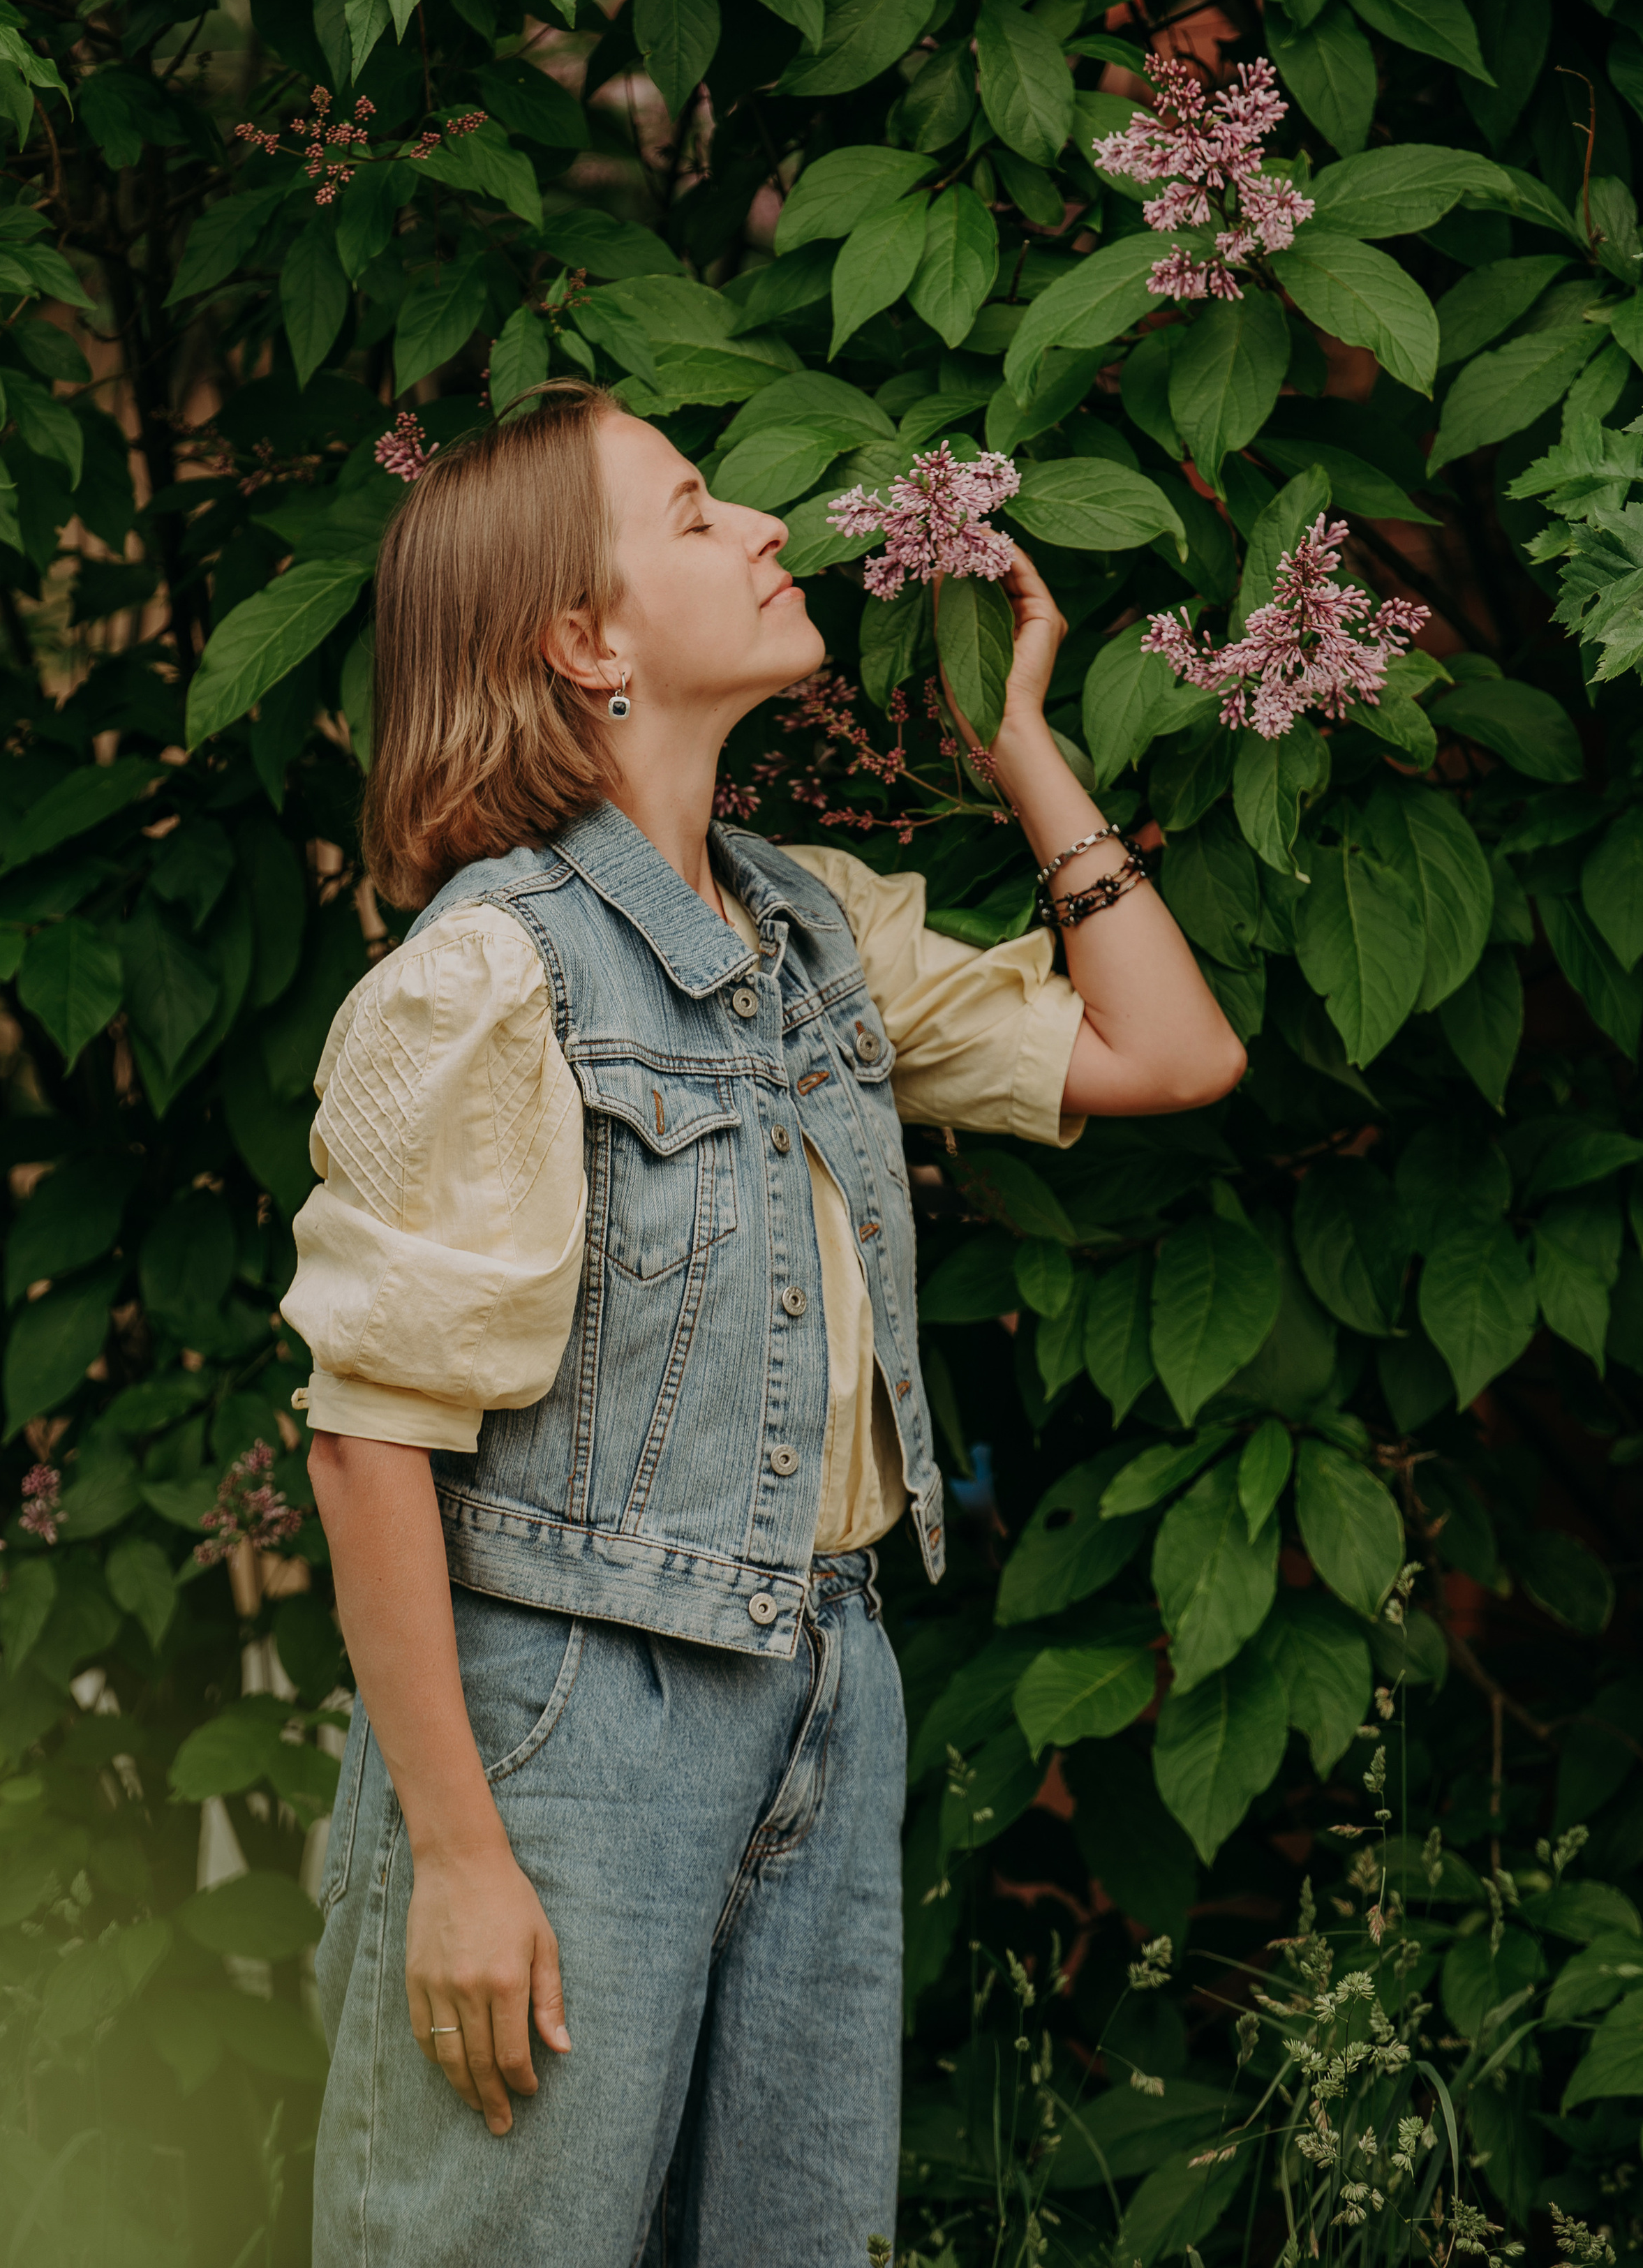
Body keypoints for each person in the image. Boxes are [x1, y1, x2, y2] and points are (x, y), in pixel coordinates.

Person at [284, 381, 1244, 2267]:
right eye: (699, 509)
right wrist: (462, 1860)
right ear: (584, 638)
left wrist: (1021, 747)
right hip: (568, 1717)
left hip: (826, 1684)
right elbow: (364, 1437)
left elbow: (1172, 1050)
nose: (768, 531)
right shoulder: (492, 970)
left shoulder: (816, 935)